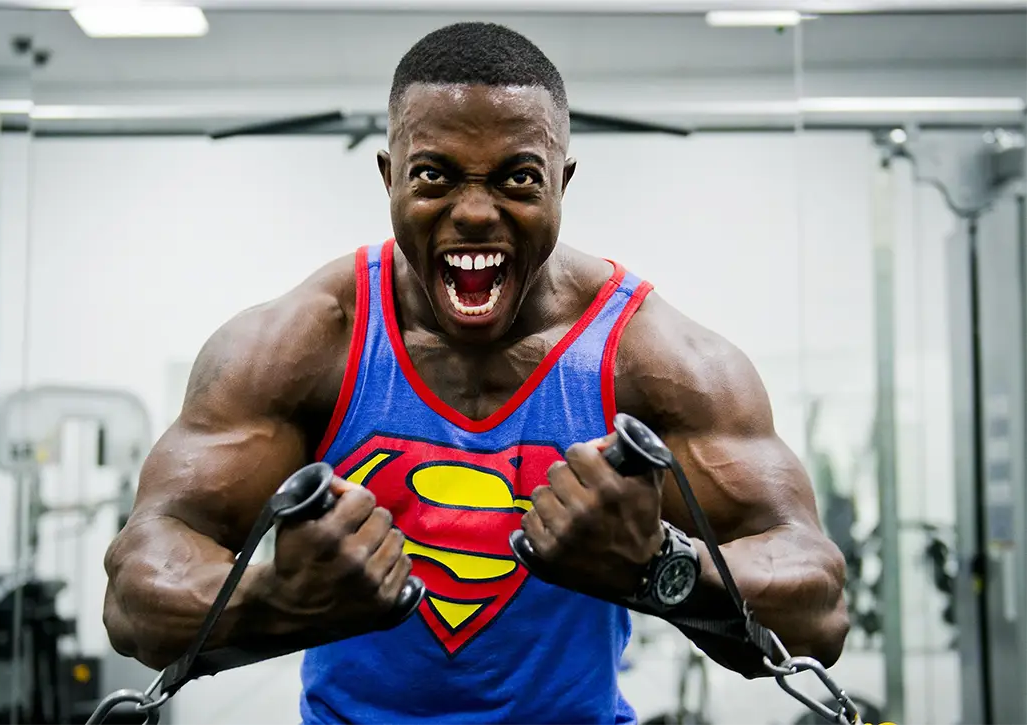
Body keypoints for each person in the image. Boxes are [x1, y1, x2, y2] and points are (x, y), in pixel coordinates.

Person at [102, 21, 849, 725]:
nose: (474, 213)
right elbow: (137, 594)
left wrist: (656, 566)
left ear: (564, 180)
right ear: (388, 176)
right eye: (433, 176)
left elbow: (817, 608)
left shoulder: (653, 358)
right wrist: (278, 600)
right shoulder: (303, 343)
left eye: (518, 180)